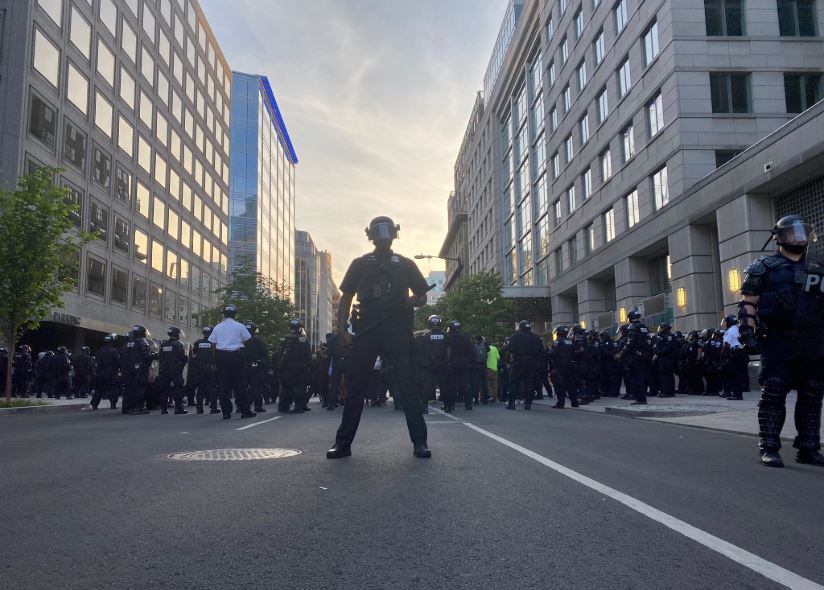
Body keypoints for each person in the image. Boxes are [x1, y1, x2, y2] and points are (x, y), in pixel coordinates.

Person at [326, 216, 431, 459]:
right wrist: (342, 330)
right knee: (356, 386)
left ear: (393, 236)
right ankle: (343, 443)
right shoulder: (360, 264)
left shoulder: (405, 264)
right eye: (379, 235)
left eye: (387, 235)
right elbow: (346, 298)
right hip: (367, 328)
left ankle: (420, 441)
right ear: (371, 237)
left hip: (397, 327)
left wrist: (414, 300)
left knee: (407, 385)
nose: (383, 239)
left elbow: (423, 296)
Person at [738, 215, 824, 467]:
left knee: (812, 394)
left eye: (803, 233)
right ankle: (769, 446)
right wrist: (748, 333)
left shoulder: (818, 267)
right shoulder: (763, 267)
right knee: (774, 391)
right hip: (778, 340)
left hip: (813, 341)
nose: (798, 238)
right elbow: (748, 303)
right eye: (792, 233)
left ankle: (808, 447)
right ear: (779, 237)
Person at [209, 304, 254, 419]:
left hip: (221, 357)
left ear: (224, 314)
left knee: (224, 386)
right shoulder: (240, 326)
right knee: (241, 385)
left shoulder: (217, 327)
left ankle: (226, 412)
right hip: (236, 357)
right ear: (235, 314)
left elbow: (212, 345)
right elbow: (249, 341)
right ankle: (245, 411)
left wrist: (215, 361)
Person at [275, 318, 312, 413]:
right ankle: (299, 406)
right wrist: (309, 366)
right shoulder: (303, 340)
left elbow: (278, 353)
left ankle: (283, 406)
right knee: (300, 387)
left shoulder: (284, 339)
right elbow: (308, 355)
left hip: (287, 367)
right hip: (301, 367)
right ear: (300, 328)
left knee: (286, 388)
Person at [506, 320, 544, 410]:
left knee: (514, 382)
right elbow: (542, 352)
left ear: (521, 327)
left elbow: (510, 348)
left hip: (519, 362)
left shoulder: (516, 336)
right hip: (532, 363)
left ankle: (512, 404)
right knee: (529, 383)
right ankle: (528, 404)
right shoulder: (536, 337)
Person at [416, 314, 450, 414]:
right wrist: (446, 361)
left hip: (429, 365)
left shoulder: (427, 336)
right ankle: (447, 406)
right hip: (443, 364)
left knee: (427, 386)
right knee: (444, 385)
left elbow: (423, 351)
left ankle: (424, 407)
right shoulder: (445, 335)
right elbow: (449, 350)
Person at [616, 312, 650, 405]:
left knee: (635, 378)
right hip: (642, 355)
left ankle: (639, 398)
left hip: (633, 356)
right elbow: (648, 341)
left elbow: (630, 342)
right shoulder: (643, 327)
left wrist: (621, 353)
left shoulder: (633, 327)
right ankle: (642, 398)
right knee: (641, 377)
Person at [158, 326, 188, 414]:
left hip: (165, 369)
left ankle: (163, 409)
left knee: (165, 390)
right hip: (175, 370)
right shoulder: (178, 344)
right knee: (178, 389)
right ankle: (178, 409)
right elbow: (182, 357)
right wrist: (185, 360)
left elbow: (160, 357)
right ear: (176, 334)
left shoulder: (164, 344)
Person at [190, 326, 219, 415]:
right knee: (213, 388)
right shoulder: (214, 343)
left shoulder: (197, 343)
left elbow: (193, 355)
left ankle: (199, 408)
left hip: (199, 368)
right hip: (210, 367)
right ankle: (213, 408)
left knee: (200, 388)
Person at [549, 326, 578, 409]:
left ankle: (561, 403)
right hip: (569, 364)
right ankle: (574, 402)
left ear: (559, 333)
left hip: (560, 365)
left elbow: (553, 353)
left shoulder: (558, 341)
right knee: (571, 384)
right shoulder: (570, 341)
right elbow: (574, 353)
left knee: (560, 383)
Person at [446, 320, 472, 411]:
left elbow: (448, 351)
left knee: (451, 384)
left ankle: (451, 404)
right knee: (466, 383)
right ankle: (468, 404)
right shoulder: (465, 337)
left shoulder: (449, 337)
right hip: (464, 363)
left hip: (452, 362)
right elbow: (471, 351)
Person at [245, 322, 270, 414]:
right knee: (256, 387)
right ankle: (258, 406)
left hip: (243, 366)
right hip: (255, 365)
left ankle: (241, 405)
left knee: (243, 386)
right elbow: (264, 352)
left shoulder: (241, 339)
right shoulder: (258, 340)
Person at [91, 335, 120, 410]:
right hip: (110, 373)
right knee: (113, 389)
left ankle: (94, 404)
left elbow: (96, 362)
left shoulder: (100, 350)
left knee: (99, 389)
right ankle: (113, 404)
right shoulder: (114, 350)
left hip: (100, 373)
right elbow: (118, 361)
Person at [721, 315, 746, 401]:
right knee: (739, 374)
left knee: (734, 374)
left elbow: (726, 344)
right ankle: (737, 393)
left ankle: (736, 395)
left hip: (734, 353)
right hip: (742, 352)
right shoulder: (739, 329)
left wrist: (722, 353)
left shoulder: (730, 331)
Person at [327, 330, 351, 411]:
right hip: (348, 361)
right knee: (349, 383)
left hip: (337, 361)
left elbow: (329, 351)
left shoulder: (333, 339)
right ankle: (349, 402)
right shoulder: (350, 337)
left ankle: (332, 404)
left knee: (334, 384)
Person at [653, 323, 677, 398]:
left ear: (664, 328)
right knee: (665, 375)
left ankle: (667, 392)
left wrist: (658, 354)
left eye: (660, 328)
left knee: (666, 376)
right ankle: (668, 391)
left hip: (667, 359)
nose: (659, 329)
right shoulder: (662, 336)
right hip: (663, 359)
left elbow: (667, 348)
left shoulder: (669, 336)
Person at [469, 335, 489, 405]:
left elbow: (471, 356)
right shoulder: (485, 346)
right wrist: (484, 341)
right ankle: (485, 399)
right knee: (484, 383)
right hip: (484, 366)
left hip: (476, 366)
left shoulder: (474, 347)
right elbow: (488, 349)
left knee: (476, 384)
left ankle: (476, 399)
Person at [485, 338, 500, 404]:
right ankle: (495, 397)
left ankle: (490, 395)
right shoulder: (495, 348)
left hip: (487, 368)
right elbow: (498, 358)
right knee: (495, 384)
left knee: (488, 383)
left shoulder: (485, 348)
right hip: (495, 368)